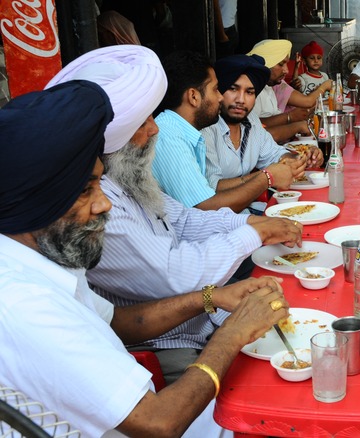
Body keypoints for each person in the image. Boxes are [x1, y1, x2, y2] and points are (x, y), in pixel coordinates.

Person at [0, 80, 292, 436]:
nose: (102, 202)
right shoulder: (24, 304)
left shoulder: (41, 259)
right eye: (84, 192)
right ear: (34, 204)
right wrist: (233, 333)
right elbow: (157, 423)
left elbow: (118, 321)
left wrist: (211, 298)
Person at [44, 46, 303, 386]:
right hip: (170, 347)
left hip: (203, 319)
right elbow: (178, 273)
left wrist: (254, 223)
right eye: (144, 121)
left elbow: (183, 219)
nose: (154, 130)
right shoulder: (97, 201)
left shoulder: (125, 177)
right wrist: (254, 233)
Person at [202, 54, 323, 214]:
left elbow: (275, 153)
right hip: (219, 220)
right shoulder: (207, 127)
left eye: (249, 92)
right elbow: (213, 186)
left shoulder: (250, 120)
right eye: (233, 89)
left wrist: (300, 157)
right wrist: (266, 177)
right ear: (219, 91)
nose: (241, 100)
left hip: (250, 210)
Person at [247, 39, 332, 142]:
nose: (286, 71)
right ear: (266, 64)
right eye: (281, 64)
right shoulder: (250, 91)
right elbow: (254, 127)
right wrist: (291, 118)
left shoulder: (270, 87)